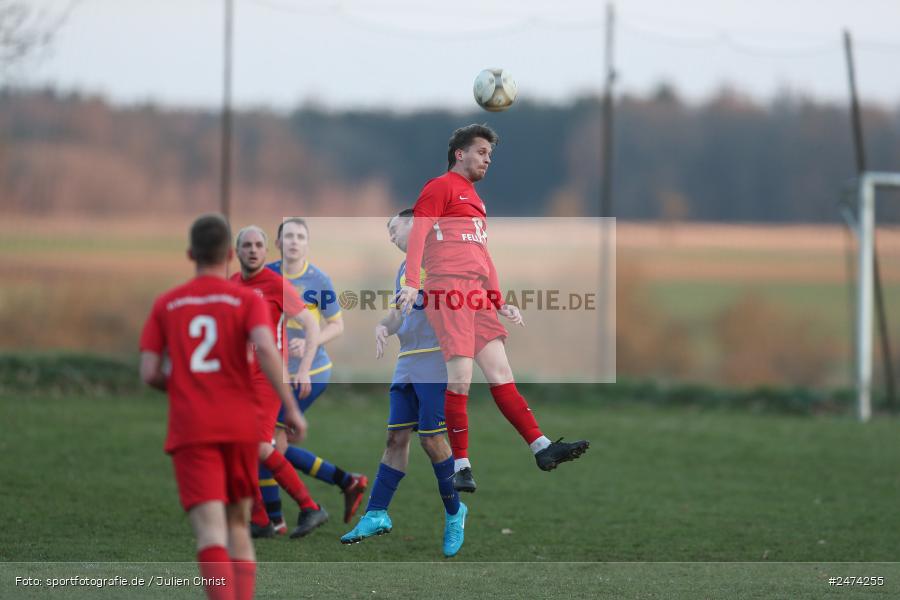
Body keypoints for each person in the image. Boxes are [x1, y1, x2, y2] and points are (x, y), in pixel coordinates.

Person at [396, 124, 589, 493]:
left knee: (501, 373)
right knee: (461, 379)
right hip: (448, 290)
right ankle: (461, 465)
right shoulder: (439, 187)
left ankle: (542, 447)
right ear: (460, 154)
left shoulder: (477, 201)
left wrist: (499, 300)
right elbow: (419, 232)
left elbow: (483, 254)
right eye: (481, 152)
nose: (488, 160)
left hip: (476, 295)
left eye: (490, 155)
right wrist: (410, 282)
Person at [139, 214, 306, 600]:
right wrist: (292, 408)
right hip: (240, 426)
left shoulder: (167, 303)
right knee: (238, 526)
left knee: (210, 534)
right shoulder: (246, 299)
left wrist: (184, 386)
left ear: (190, 254)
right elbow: (267, 350)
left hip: (192, 428)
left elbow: (148, 372)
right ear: (230, 254)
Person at [341, 209, 466, 557]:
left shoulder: (442, 257)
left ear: (415, 224)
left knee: (431, 440)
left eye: (394, 230)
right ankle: (376, 514)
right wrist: (384, 325)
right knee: (395, 438)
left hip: (436, 360)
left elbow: (460, 300)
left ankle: (455, 512)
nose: (392, 238)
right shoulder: (404, 269)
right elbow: (399, 313)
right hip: (407, 362)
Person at [266, 217, 368, 525]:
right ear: (278, 243)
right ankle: (347, 481)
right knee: (273, 446)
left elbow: (336, 325)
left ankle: (273, 519)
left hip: (311, 372)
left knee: (268, 443)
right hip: (275, 372)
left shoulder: (318, 280)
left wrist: (311, 341)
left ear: (307, 244)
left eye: (300, 236)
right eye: (289, 236)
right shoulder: (267, 274)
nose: (294, 241)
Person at [231, 225, 329, 539]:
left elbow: (311, 324)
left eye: (258, 245)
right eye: (247, 245)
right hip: (240, 379)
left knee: (260, 446)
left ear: (266, 250)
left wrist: (305, 367)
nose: (253, 250)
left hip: (268, 378)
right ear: (237, 251)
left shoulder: (276, 284)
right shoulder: (232, 285)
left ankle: (310, 507)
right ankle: (261, 520)